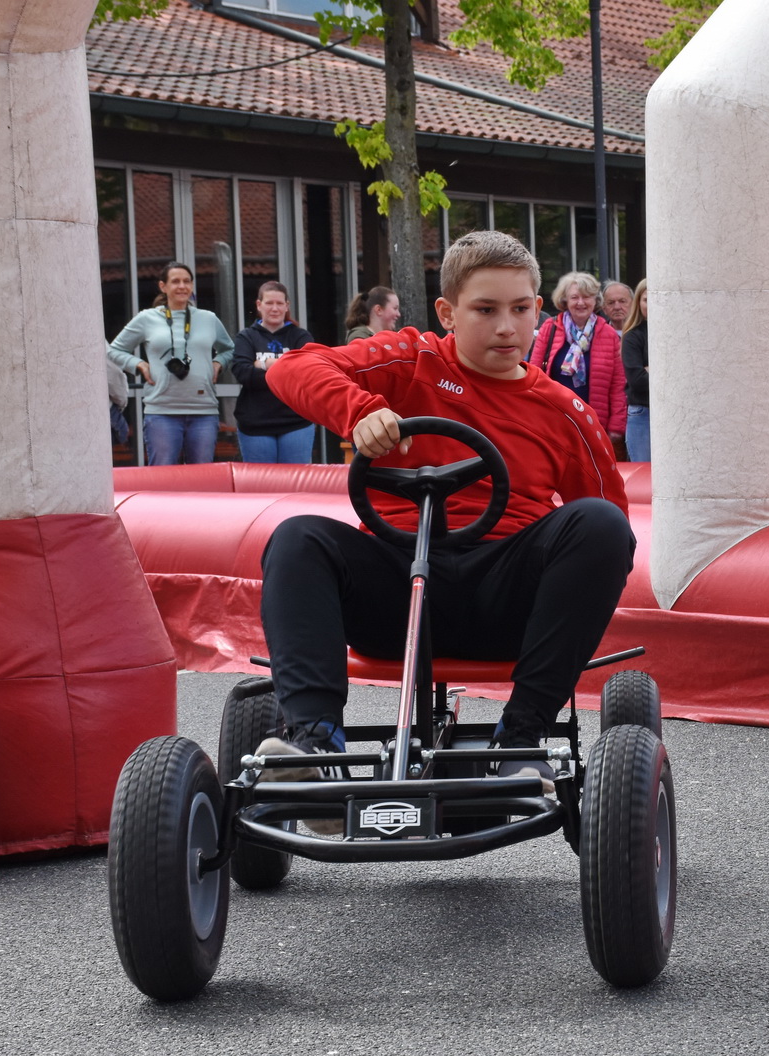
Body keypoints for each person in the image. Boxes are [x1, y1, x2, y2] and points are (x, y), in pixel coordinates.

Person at [255, 230, 633, 794]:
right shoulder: (410, 359)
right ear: (447, 312)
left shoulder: (565, 411)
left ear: (537, 310)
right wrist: (360, 411)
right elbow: (291, 370)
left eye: (521, 309)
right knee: (296, 537)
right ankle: (312, 748)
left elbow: (608, 534)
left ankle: (521, 741)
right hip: (396, 590)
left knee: (603, 527)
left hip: (504, 601)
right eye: (485, 310)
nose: (507, 327)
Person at [106, 261, 234, 466]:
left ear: (192, 286)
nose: (182, 286)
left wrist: (218, 363)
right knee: (162, 482)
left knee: (202, 481)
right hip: (161, 413)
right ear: (163, 287)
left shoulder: (208, 319)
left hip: (203, 412)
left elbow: (230, 349)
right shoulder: (147, 318)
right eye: (175, 281)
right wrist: (139, 365)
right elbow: (113, 350)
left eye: (186, 281)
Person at [530, 271, 628, 456]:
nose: (581, 303)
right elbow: (534, 375)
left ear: (595, 300)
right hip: (555, 420)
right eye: (575, 297)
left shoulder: (608, 334)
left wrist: (616, 426)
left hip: (594, 421)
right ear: (565, 300)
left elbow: (618, 385)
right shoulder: (549, 329)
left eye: (587, 297)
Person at [231, 281, 316, 464]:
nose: (275, 308)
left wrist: (263, 364)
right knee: (261, 489)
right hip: (255, 426)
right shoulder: (246, 337)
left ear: (287, 306)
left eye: (279, 303)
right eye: (269, 303)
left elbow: (306, 374)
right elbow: (243, 373)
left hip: (296, 422)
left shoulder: (301, 337)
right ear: (259, 305)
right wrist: (286, 369)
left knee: (296, 486)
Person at [621, 279, 651, 463]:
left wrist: (650, 369)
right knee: (644, 474)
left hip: (673, 413)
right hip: (643, 413)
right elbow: (637, 380)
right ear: (639, 303)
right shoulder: (633, 335)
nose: (651, 305)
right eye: (647, 299)